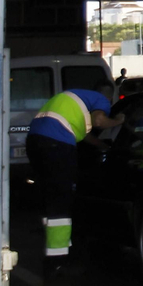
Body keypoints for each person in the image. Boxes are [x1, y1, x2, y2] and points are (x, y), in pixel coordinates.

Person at [25, 82, 125, 273]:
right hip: (57, 145)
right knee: (61, 200)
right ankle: (57, 259)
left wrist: (102, 146)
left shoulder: (73, 98)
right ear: (108, 97)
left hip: (35, 142)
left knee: (50, 196)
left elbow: (84, 134)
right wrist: (118, 120)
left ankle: (55, 249)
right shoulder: (101, 100)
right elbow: (99, 122)